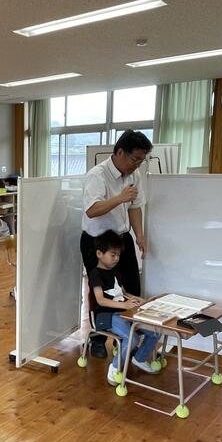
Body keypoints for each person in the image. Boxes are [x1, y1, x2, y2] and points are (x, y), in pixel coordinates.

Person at [81, 130, 153, 358]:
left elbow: (135, 206)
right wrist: (120, 198)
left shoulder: (134, 174)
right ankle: (98, 339)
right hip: (97, 242)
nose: (137, 164)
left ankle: (127, 337)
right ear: (120, 152)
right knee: (101, 291)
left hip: (122, 238)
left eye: (141, 160)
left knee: (131, 287)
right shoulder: (97, 175)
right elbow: (92, 210)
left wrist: (139, 236)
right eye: (135, 159)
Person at [87, 231, 161, 385]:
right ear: (99, 254)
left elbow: (123, 293)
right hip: (106, 317)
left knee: (155, 331)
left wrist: (143, 301)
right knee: (132, 338)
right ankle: (115, 367)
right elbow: (101, 300)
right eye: (113, 255)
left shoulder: (115, 271)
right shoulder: (95, 274)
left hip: (123, 313)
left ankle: (139, 359)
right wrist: (124, 305)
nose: (116, 258)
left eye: (118, 255)